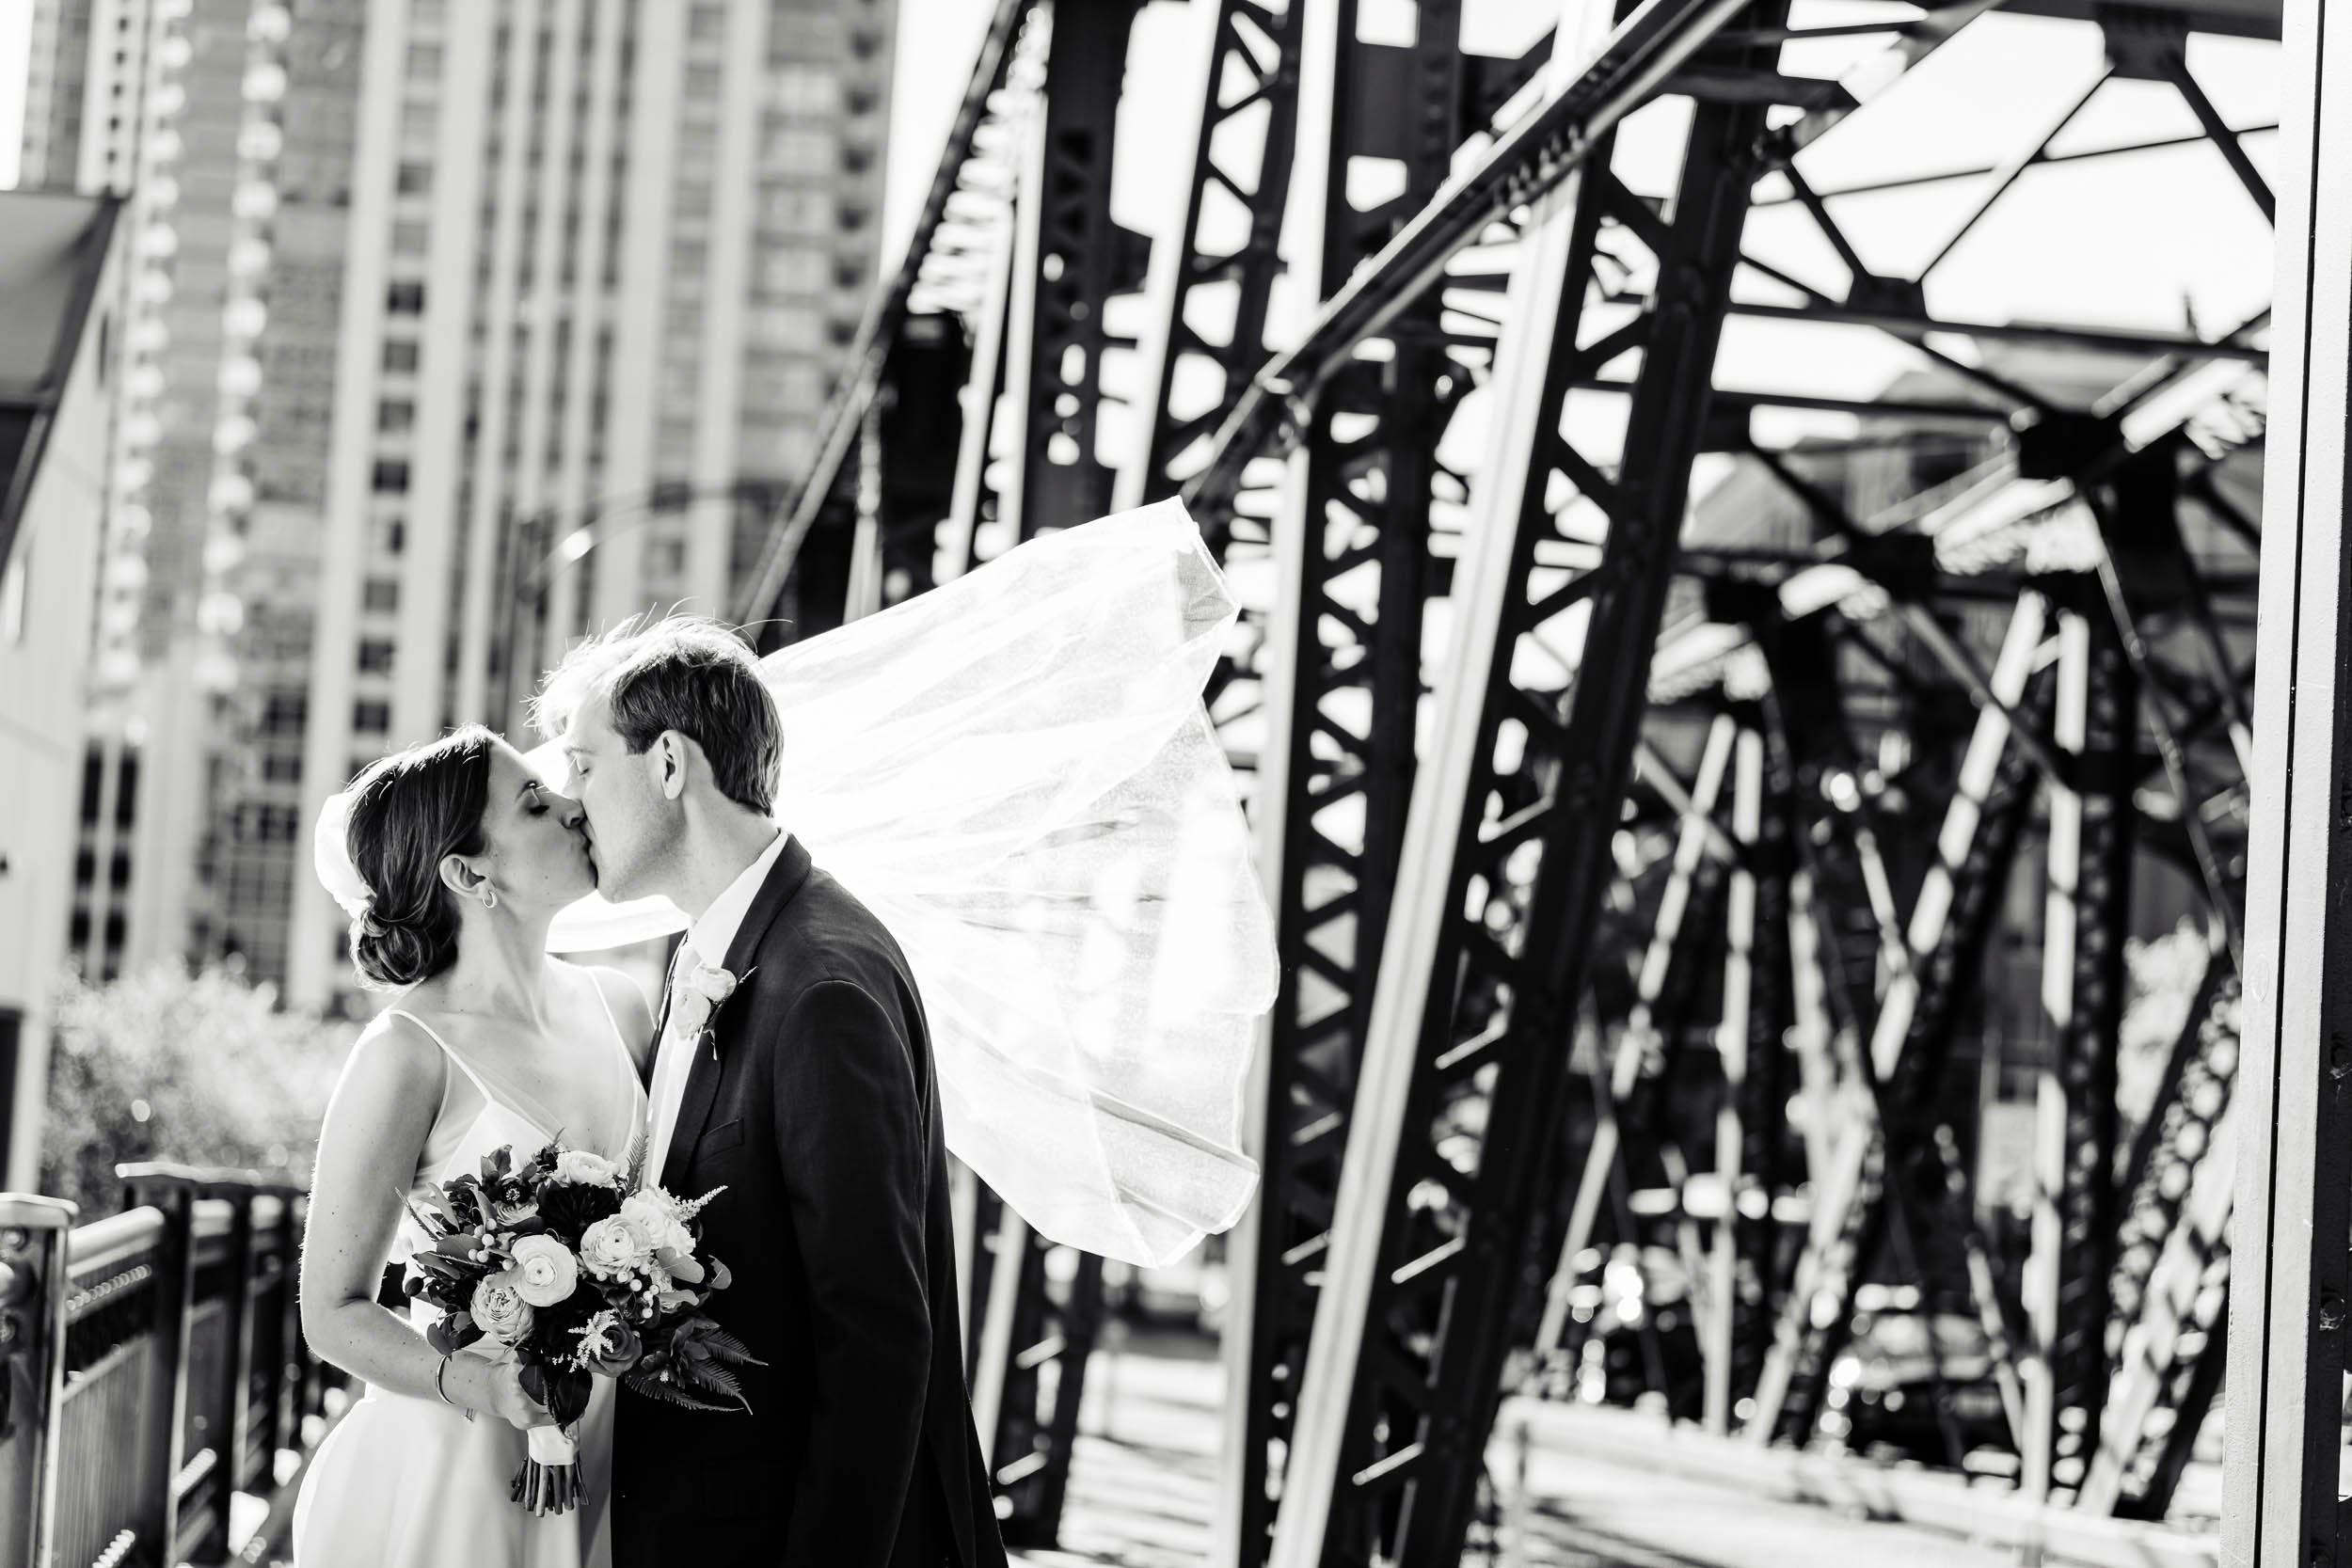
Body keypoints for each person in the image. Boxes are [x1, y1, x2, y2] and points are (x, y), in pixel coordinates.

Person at [538, 619, 1006, 1568]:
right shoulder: (705, 953)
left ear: (669, 762)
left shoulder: (821, 984)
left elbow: (876, 1340)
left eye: (585, 767)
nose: (568, 800)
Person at [292, 726, 652, 1568]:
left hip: (611, 1452)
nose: (573, 806)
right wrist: (488, 1384)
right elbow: (331, 1311)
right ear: (469, 872)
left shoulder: (622, 1007)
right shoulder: (406, 1053)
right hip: (453, 1470)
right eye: (534, 802)